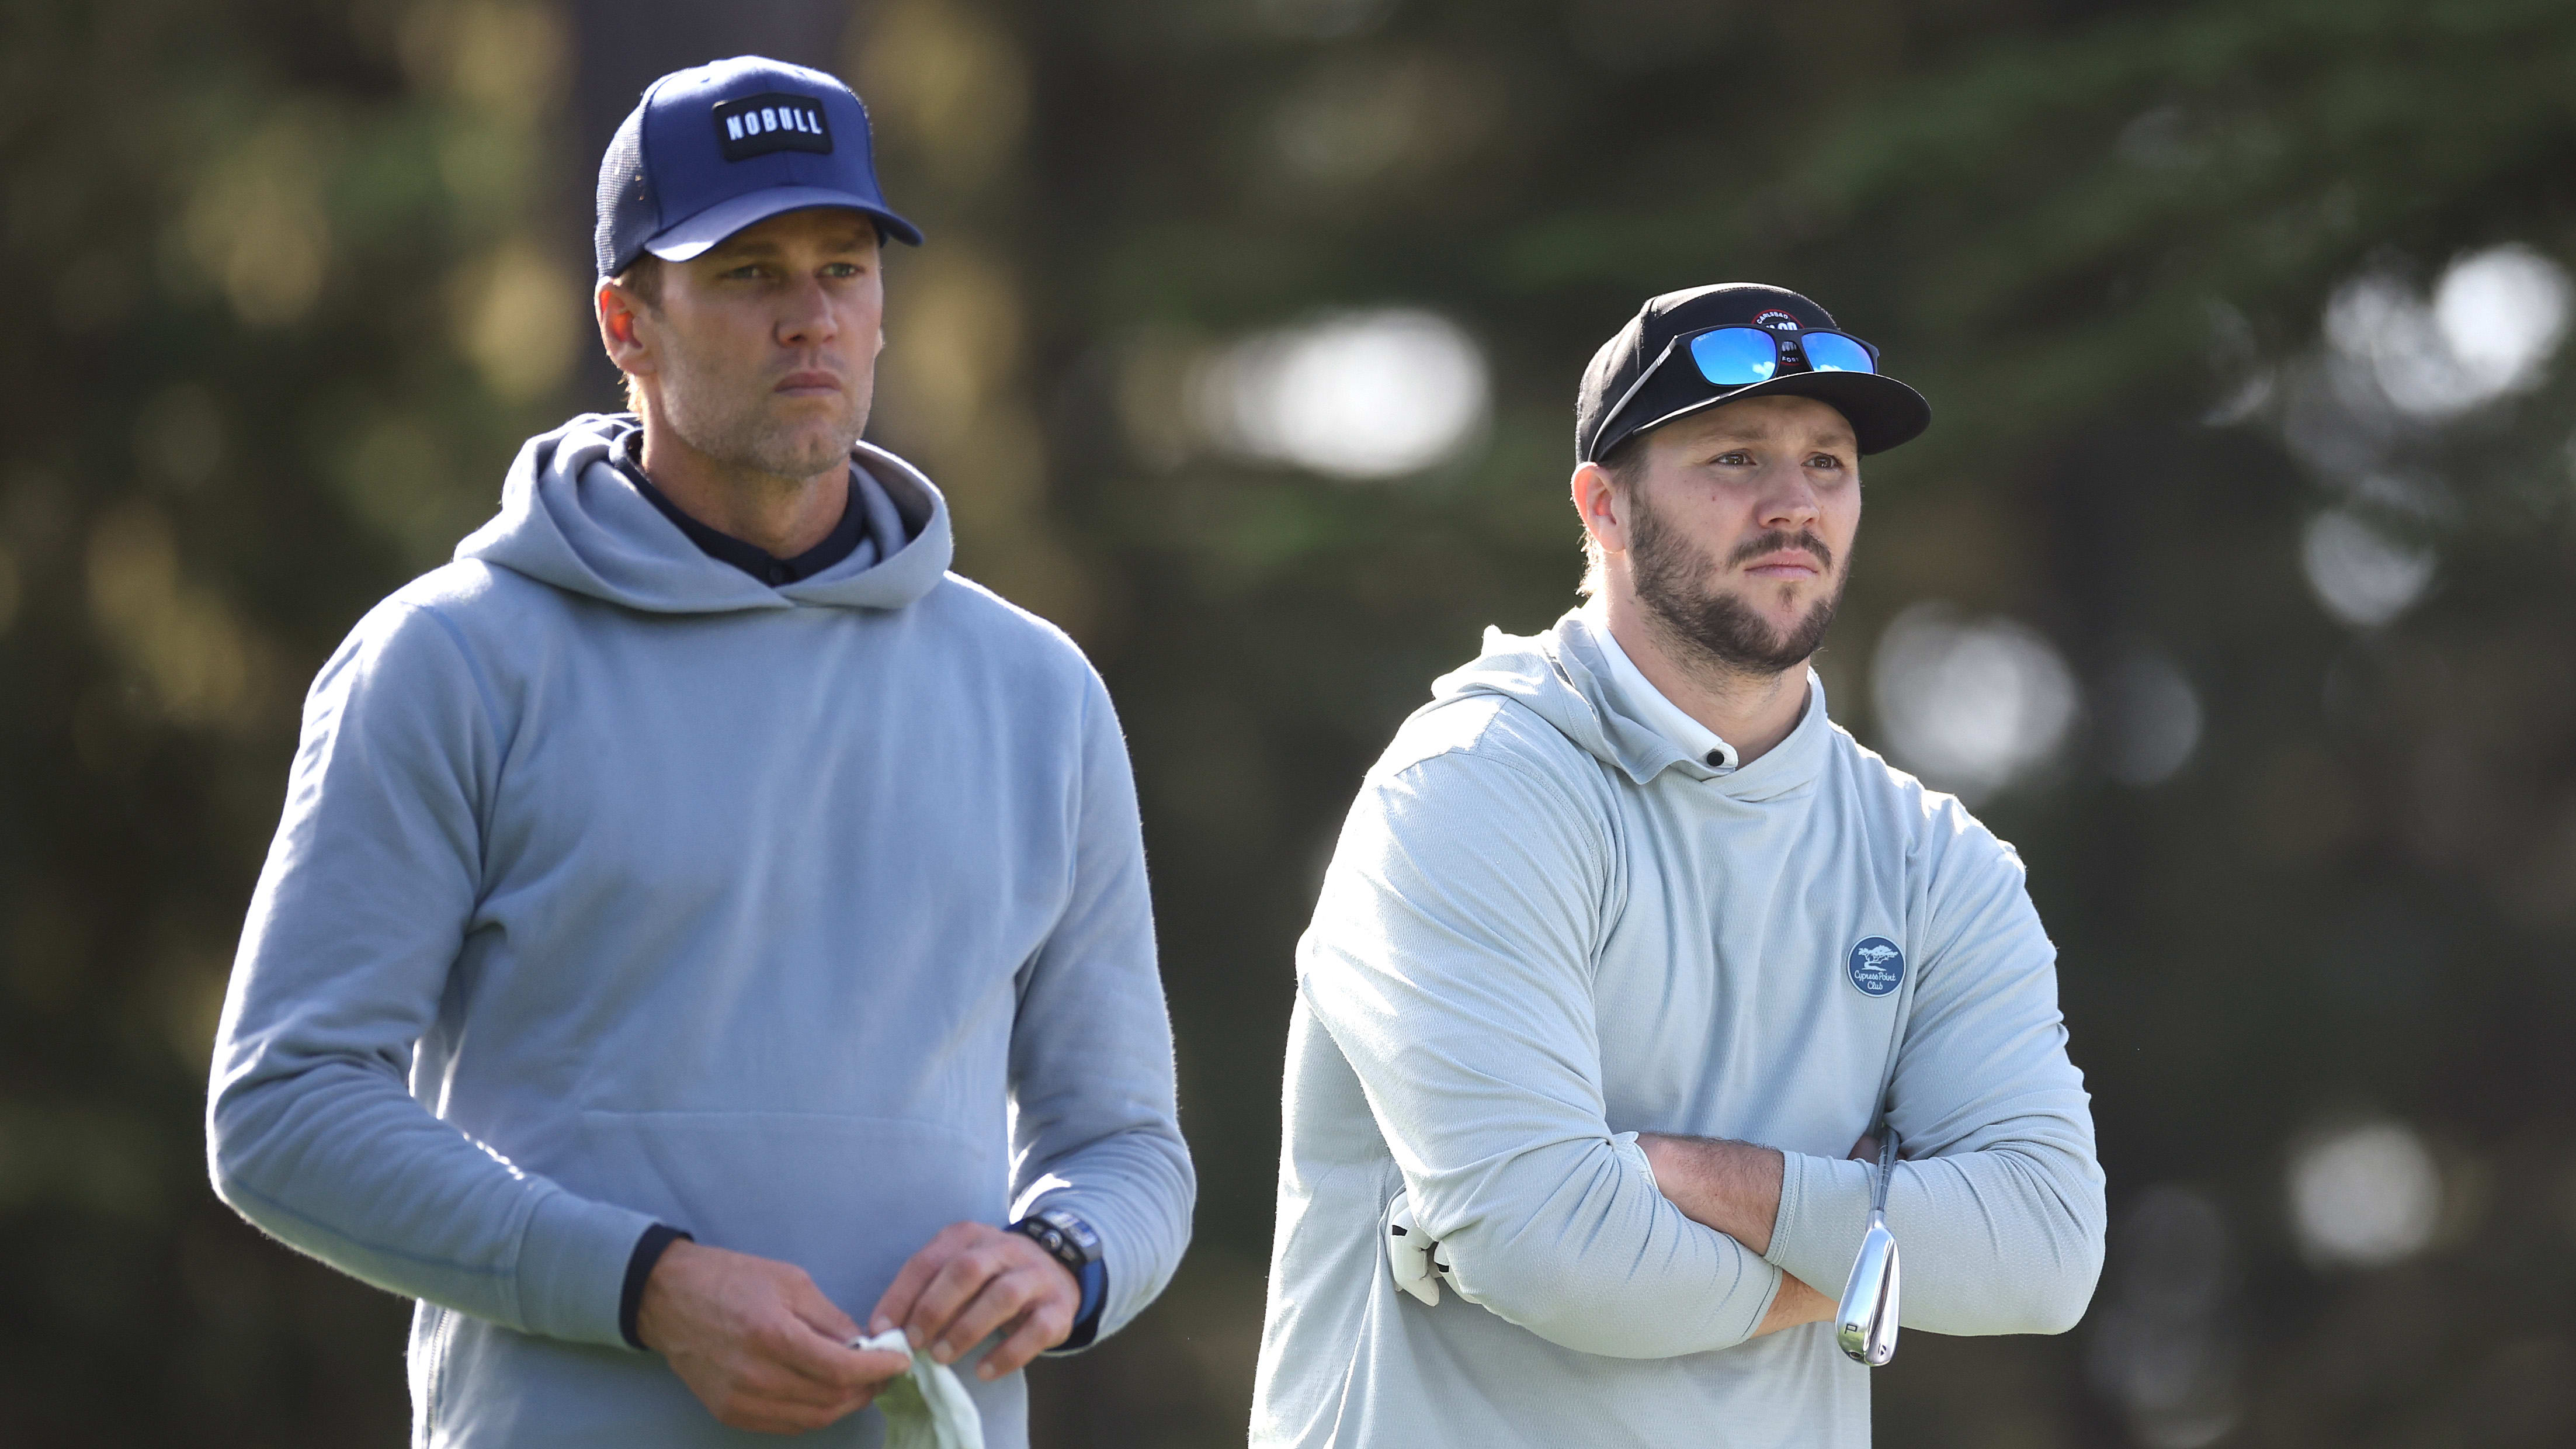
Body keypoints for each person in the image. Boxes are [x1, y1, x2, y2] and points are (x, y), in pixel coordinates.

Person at [206, 57, 1193, 1447]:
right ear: (627, 322)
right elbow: (283, 1110)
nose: (810, 318)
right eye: (744, 274)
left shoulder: (1039, 690)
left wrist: (1064, 1260)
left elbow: (1128, 1150)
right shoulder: (449, 661)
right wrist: (648, 1289)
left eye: (843, 268)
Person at [1251, 284, 2105, 1447]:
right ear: (1603, 506)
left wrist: (1695, 1177)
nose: (1794, 502)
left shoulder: (1936, 864)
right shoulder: (1468, 790)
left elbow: (2047, 1251)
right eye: (1735, 457)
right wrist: (1875, 1247)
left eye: (1829, 462)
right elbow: (1556, 1253)